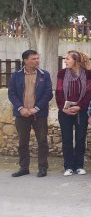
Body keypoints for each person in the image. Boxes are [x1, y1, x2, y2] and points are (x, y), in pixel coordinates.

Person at [8, 50, 53, 178]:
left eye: (38, 58)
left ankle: (43, 168)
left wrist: (36, 108)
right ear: (25, 60)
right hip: (21, 114)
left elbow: (48, 94)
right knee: (23, 142)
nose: (37, 61)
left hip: (39, 114)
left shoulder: (45, 75)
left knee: (43, 141)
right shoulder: (16, 75)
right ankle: (24, 167)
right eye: (34, 59)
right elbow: (11, 93)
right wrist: (21, 108)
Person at [55, 50, 91, 176]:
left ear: (75, 61)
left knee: (81, 138)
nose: (65, 61)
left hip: (81, 111)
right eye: (65, 59)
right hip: (65, 111)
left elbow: (88, 93)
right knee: (67, 138)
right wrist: (63, 108)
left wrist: (80, 107)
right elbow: (59, 91)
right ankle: (68, 166)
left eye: (68, 59)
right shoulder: (61, 73)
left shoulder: (88, 74)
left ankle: (79, 166)